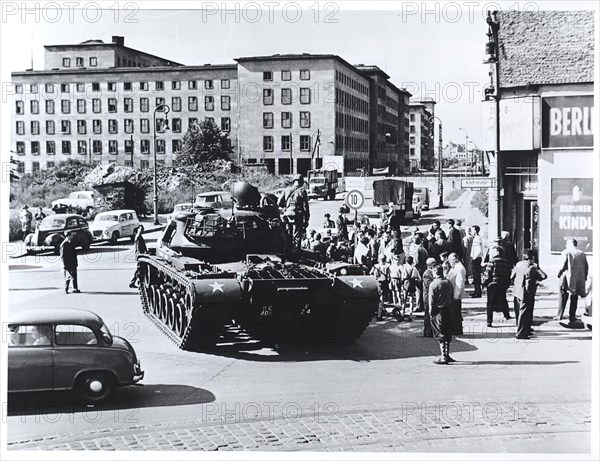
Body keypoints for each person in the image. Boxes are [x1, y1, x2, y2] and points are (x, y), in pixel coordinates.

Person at [511, 249, 548, 339]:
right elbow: (544, 276)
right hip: (527, 292)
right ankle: (520, 333)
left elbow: (512, 277)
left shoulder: (518, 264)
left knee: (519, 312)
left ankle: (525, 330)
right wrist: (536, 281)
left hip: (517, 291)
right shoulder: (534, 267)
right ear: (532, 258)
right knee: (525, 313)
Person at [556, 238, 589, 323]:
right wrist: (584, 277)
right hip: (578, 279)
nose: (566, 245)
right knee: (574, 297)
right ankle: (572, 316)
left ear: (571, 244)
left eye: (567, 243)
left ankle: (559, 315)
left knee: (563, 295)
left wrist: (559, 273)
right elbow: (586, 266)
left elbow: (563, 264)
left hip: (567, 278)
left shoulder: (566, 252)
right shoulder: (582, 253)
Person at [429, 265, 456, 364]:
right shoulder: (448, 282)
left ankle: (443, 356)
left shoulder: (433, 284)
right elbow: (452, 296)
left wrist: (431, 313)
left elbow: (431, 300)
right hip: (449, 309)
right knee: (448, 332)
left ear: (435, 272)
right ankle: (447, 354)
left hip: (439, 311)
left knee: (440, 333)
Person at [278, 174, 310, 252]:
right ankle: (296, 252)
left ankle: (288, 250)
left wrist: (286, 207)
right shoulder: (302, 192)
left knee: (288, 233)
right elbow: (306, 207)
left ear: (293, 182)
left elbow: (279, 203)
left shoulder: (286, 190)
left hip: (287, 214)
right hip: (298, 215)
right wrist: (306, 219)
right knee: (297, 235)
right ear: (301, 182)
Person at [482, 246, 512, 327]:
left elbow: (487, 274)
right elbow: (509, 274)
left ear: (496, 253)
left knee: (490, 303)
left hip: (492, 284)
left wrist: (484, 283)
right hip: (503, 284)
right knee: (503, 299)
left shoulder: (492, 262)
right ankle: (507, 314)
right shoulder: (507, 262)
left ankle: (489, 321)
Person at [446, 253, 467, 335]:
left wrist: (456, 295)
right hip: (453, 293)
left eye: (450, 261)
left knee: (456, 313)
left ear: (454, 260)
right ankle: (455, 328)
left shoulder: (459, 268)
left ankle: (457, 329)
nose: (449, 263)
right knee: (454, 312)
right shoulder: (455, 267)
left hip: (455, 294)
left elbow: (459, 283)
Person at [400, 255, 421, 321]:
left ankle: (403, 313)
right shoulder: (414, 269)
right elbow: (419, 278)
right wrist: (416, 282)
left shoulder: (404, 268)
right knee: (411, 300)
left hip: (406, 283)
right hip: (412, 283)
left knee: (404, 299)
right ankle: (410, 314)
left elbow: (402, 277)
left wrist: (402, 284)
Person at [371, 254, 391, 321]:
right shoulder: (386, 267)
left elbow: (370, 273)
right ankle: (379, 315)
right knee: (382, 299)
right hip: (383, 283)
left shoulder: (375, 266)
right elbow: (388, 276)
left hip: (376, 282)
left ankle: (377, 312)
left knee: (377, 298)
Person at [422, 258, 437, 337]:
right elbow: (429, 285)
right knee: (428, 313)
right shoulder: (427, 273)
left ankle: (431, 329)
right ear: (430, 265)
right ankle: (427, 330)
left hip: (431, 296)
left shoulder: (432, 272)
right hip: (428, 296)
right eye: (434, 264)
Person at [469, 225, 485, 298]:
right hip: (476, 258)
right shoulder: (476, 238)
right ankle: (476, 291)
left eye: (472, 230)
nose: (471, 232)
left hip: (476, 259)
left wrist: (474, 258)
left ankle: (478, 292)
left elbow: (478, 250)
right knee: (475, 277)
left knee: (476, 276)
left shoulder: (477, 239)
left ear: (475, 231)